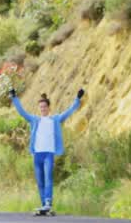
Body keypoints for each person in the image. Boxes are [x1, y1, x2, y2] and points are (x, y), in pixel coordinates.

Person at [10, 87, 85, 215]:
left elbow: (69, 111)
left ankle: (48, 202)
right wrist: (14, 97)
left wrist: (77, 98)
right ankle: (43, 205)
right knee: (40, 181)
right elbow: (22, 112)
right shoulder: (35, 120)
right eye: (41, 107)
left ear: (48, 108)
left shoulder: (55, 119)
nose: (43, 109)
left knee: (48, 178)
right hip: (37, 155)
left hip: (48, 154)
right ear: (39, 108)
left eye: (44, 107)